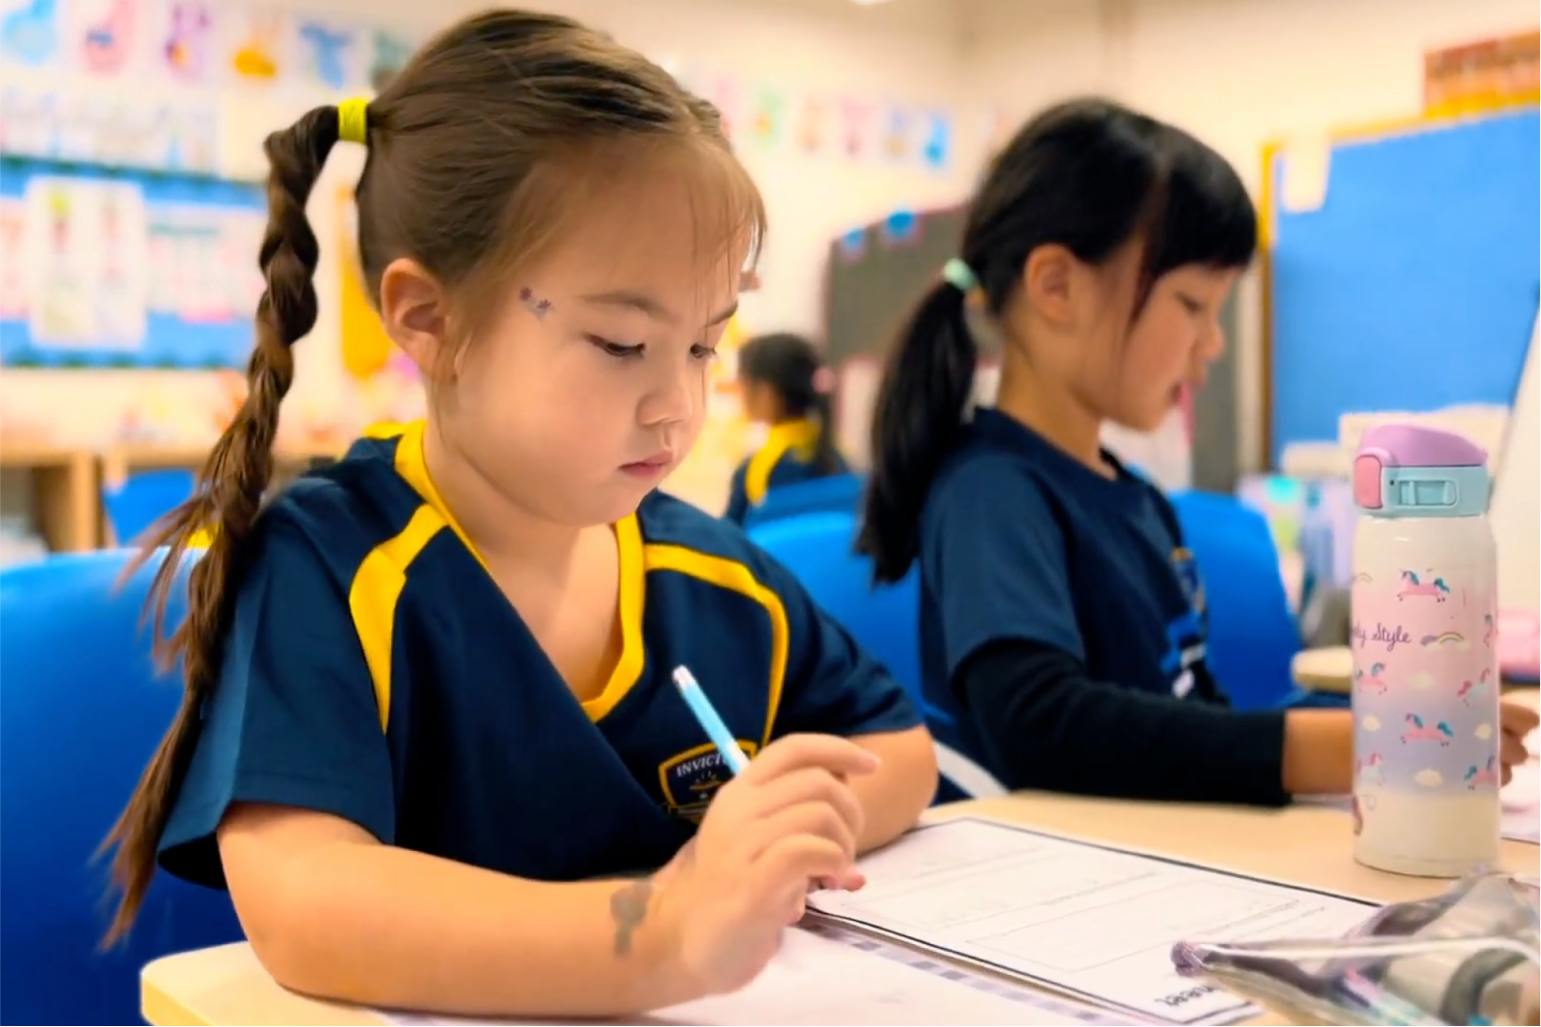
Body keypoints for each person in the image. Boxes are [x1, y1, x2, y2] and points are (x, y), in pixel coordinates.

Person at [102, 10, 937, 1019]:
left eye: (704, 345)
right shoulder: (330, 564)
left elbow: (899, 750)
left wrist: (787, 827)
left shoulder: (713, 574)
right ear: (429, 318)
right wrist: (664, 930)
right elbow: (303, 900)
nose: (676, 403)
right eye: (623, 343)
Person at [856, 97, 1537, 805]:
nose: (1210, 343)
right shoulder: (990, 491)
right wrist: (1353, 745)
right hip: (1049, 875)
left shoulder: (1138, 499)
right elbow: (1040, 725)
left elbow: (1189, 716)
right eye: (1190, 305)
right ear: (1056, 286)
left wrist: (1389, 725)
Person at [723, 332, 848, 524]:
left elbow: (727, 542)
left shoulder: (755, 472)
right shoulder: (838, 461)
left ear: (766, 393)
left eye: (743, 383)